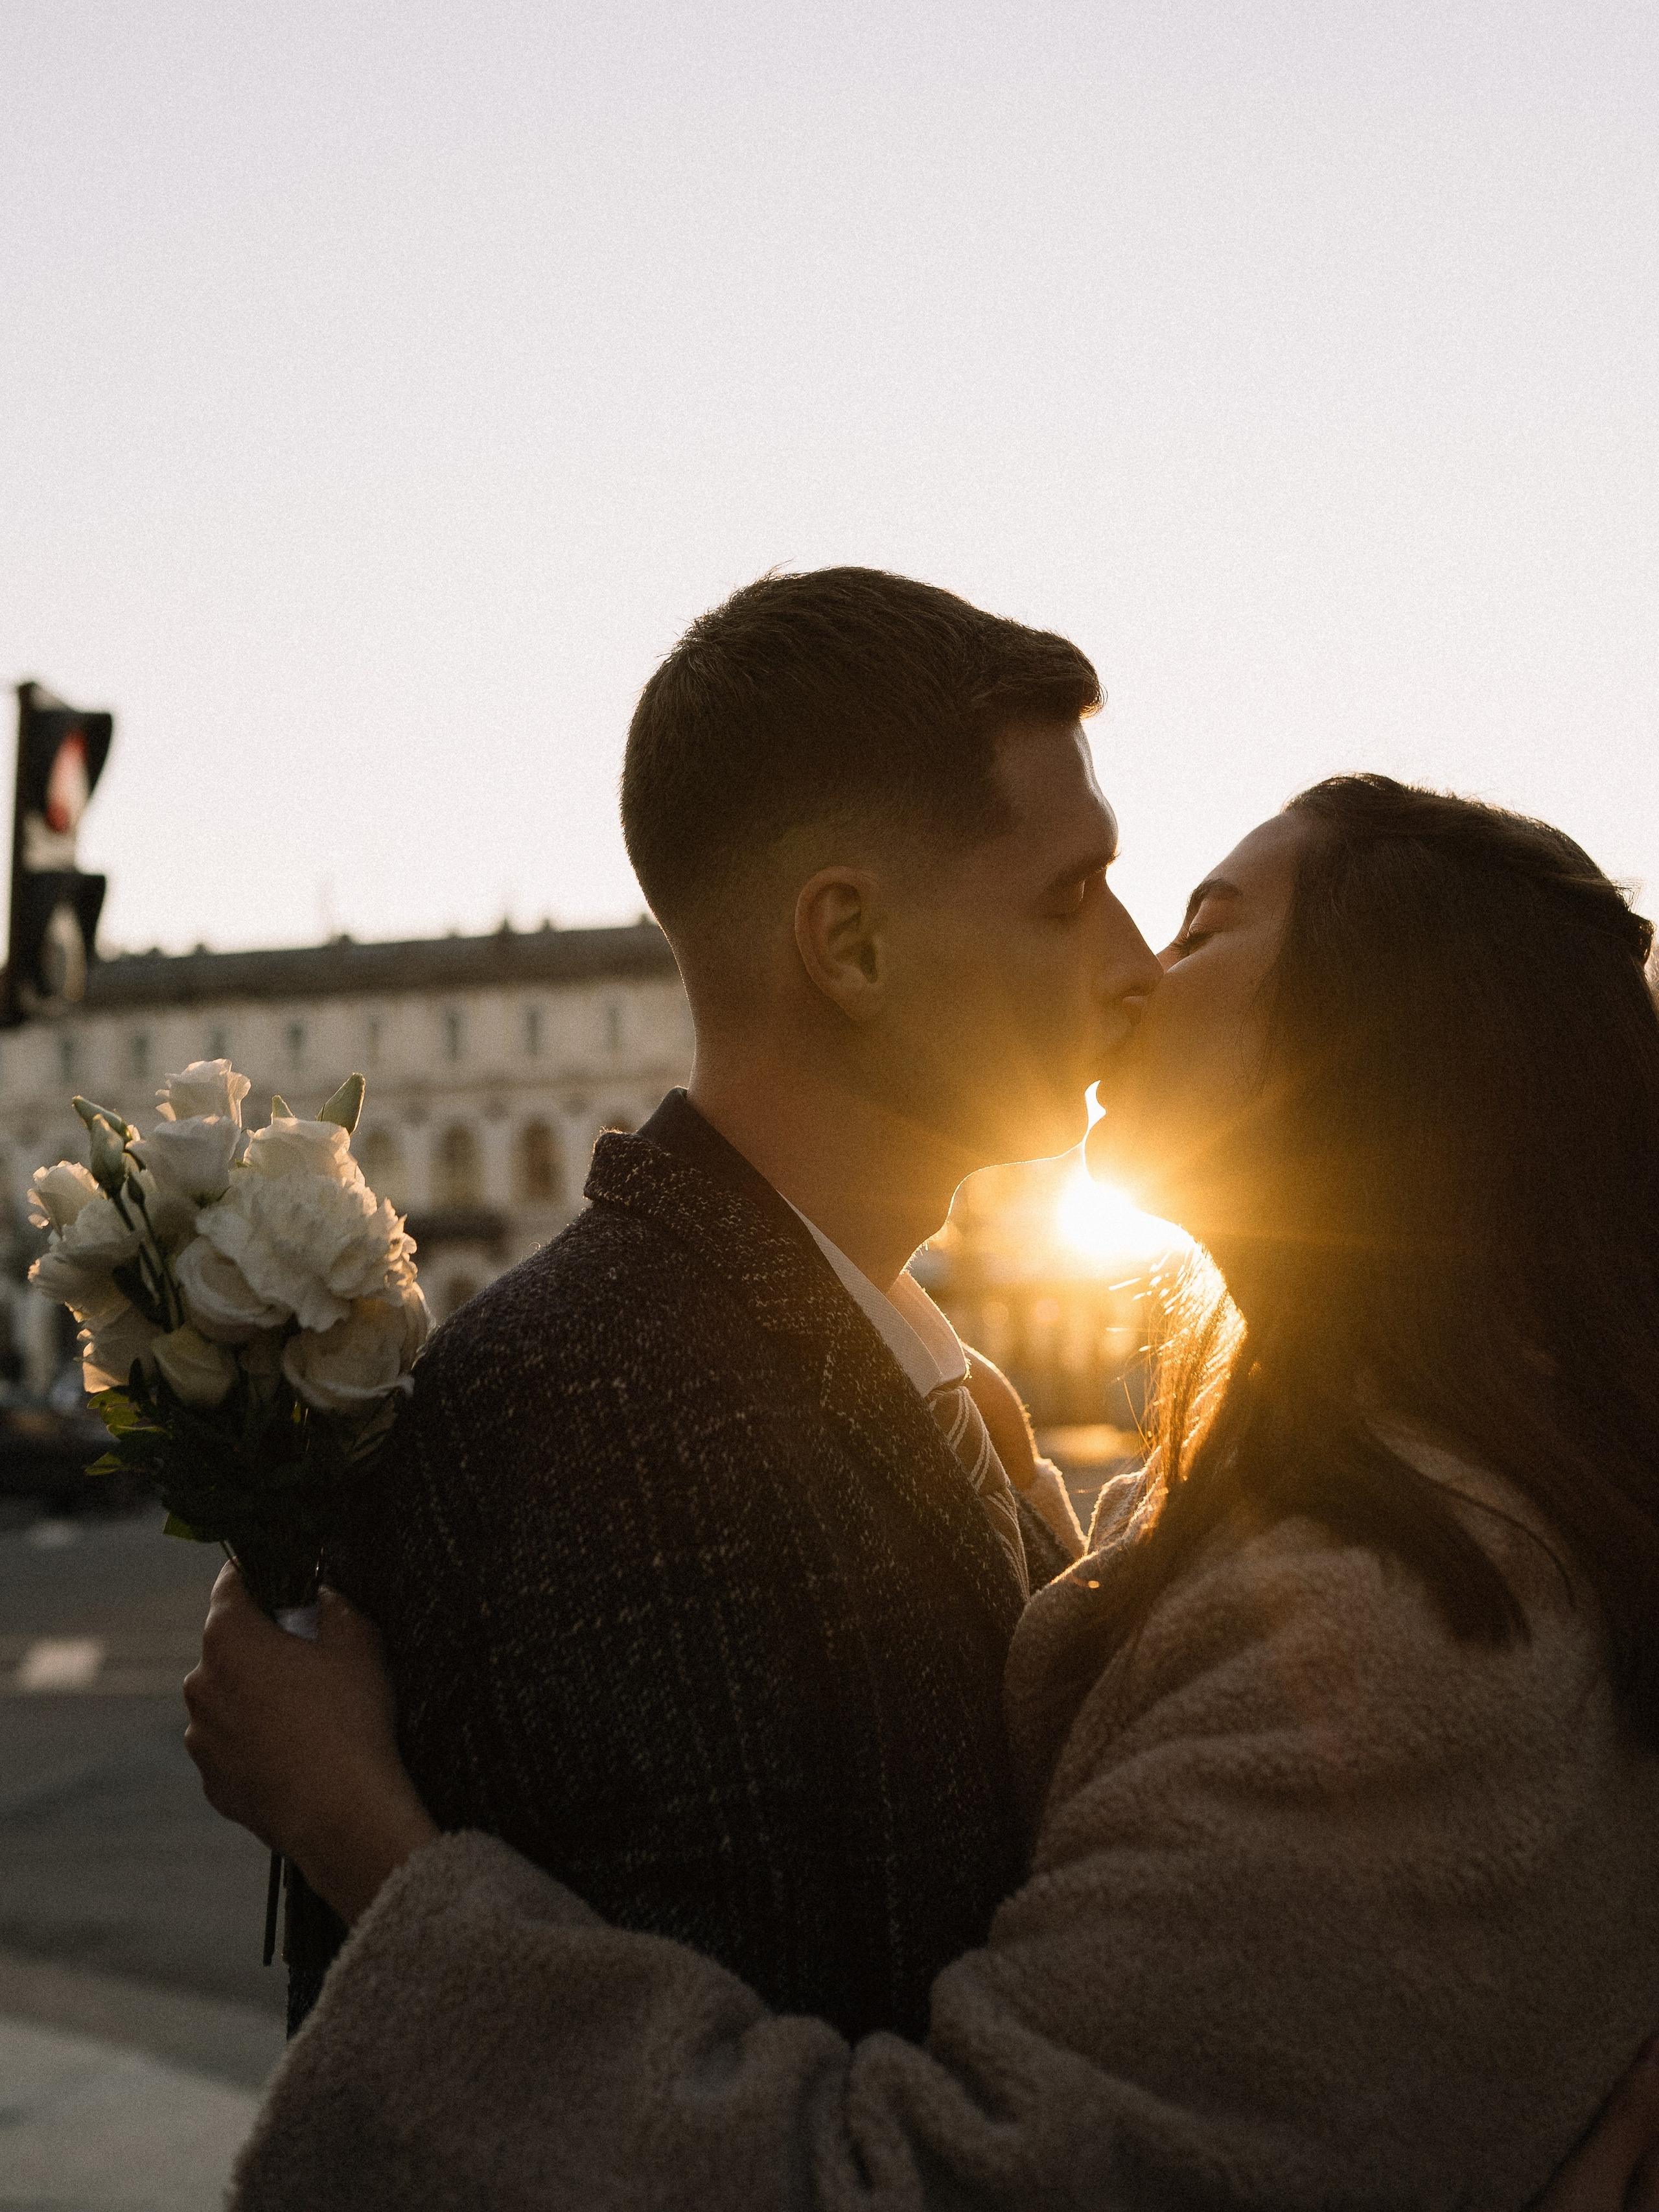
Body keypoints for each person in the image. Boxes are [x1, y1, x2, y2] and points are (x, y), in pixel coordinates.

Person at [189, 774, 1659, 2208]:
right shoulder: (1430, 1526)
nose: (1133, 969)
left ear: (1384, 1033)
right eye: (1077, 901)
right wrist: (1036, 1533)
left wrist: (362, 1838)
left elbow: (914, 2175)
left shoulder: (1399, 1622)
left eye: (1202, 926)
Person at [288, 568, 1161, 2032]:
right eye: (1069, 897)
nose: (1135, 964)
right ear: (851, 945)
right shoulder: (602, 1407)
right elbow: (718, 2114)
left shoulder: (862, 1356)